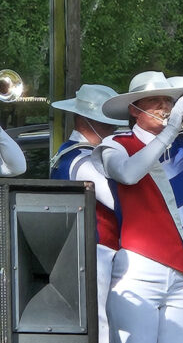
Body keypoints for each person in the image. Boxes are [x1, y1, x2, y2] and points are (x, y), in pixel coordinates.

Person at [92, 71, 183, 343]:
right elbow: (128, 173)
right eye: (155, 101)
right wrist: (171, 130)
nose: (165, 107)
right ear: (134, 110)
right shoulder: (116, 144)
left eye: (168, 101)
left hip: (181, 274)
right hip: (137, 271)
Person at [49, 83, 127, 343]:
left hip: (97, 252)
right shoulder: (80, 159)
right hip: (96, 253)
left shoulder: (71, 154)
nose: (113, 129)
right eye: (105, 124)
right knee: (101, 327)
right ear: (83, 120)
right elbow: (118, 202)